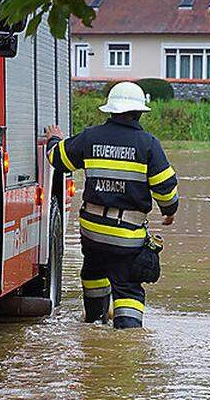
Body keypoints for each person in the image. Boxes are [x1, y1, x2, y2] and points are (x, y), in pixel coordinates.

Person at [43, 82, 179, 329]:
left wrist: (54, 139)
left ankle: (94, 322)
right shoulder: (148, 144)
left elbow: (58, 159)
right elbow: (166, 189)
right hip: (127, 236)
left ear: (110, 110)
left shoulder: (90, 137)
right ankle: (128, 338)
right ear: (139, 112)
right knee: (127, 286)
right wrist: (169, 212)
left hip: (92, 232)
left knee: (94, 272)